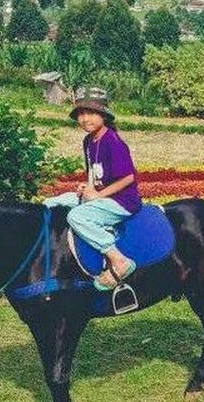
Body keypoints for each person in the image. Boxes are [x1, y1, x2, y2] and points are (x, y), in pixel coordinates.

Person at [45, 87, 142, 290]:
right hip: (100, 196)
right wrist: (87, 187)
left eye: (90, 112)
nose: (84, 118)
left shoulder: (113, 142)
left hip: (122, 201)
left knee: (77, 217)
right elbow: (94, 171)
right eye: (80, 113)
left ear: (103, 115)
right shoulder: (89, 141)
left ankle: (118, 260)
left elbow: (128, 178)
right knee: (51, 203)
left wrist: (98, 195)